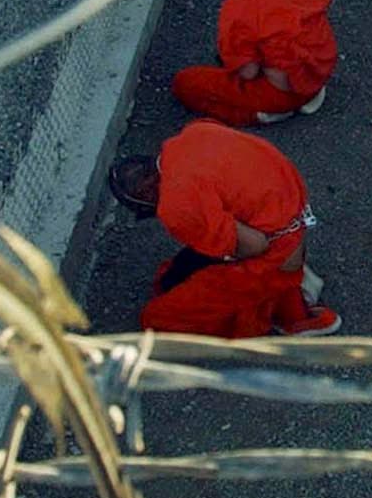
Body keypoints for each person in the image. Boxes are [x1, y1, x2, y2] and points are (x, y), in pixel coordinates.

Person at [107, 121, 341, 338]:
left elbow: (255, 245)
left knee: (156, 318)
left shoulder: (175, 204)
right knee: (174, 275)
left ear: (146, 196)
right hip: (292, 218)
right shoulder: (193, 134)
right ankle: (287, 287)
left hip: (275, 250)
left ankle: (277, 309)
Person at [169, 0, 338, 126]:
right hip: (319, 75)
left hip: (283, 93)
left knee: (186, 83)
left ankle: (263, 113)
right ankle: (306, 96)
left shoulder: (238, 6)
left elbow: (248, 73)